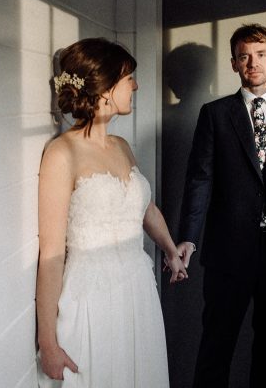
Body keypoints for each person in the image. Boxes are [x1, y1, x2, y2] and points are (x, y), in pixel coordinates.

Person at [36, 38, 188, 388]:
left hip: (137, 290)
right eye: (128, 78)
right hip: (92, 299)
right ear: (105, 87)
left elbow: (145, 208)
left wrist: (169, 249)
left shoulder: (120, 146)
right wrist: (48, 342)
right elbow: (52, 253)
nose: (135, 86)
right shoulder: (61, 153)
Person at [177, 23, 266, 388]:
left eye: (260, 55)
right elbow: (199, 180)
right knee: (216, 345)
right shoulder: (215, 114)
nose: (252, 63)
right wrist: (188, 238)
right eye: (244, 57)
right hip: (228, 251)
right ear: (234, 64)